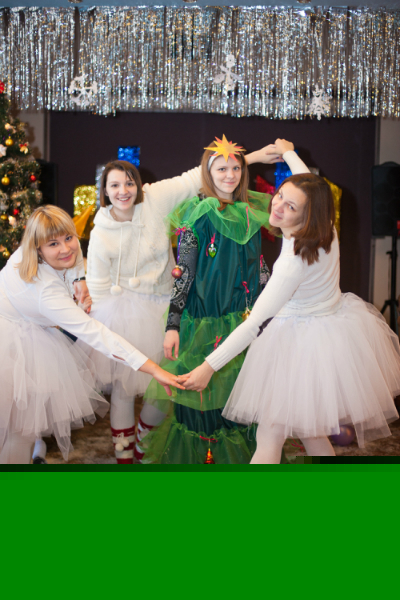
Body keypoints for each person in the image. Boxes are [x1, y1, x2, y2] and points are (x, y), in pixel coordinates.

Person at [181, 145, 400, 463]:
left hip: (299, 346)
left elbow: (253, 325)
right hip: (329, 335)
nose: (278, 205)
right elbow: (308, 182)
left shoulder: (292, 263)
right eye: (280, 195)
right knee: (312, 432)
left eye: (291, 206)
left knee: (269, 436)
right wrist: (288, 153)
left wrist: (207, 367)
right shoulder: (326, 228)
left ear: (307, 214)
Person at [83, 147, 284, 463]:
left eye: (129, 183)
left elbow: (200, 174)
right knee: (124, 389)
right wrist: (99, 327)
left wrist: (254, 156)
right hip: (122, 312)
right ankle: (124, 460)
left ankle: (143, 444)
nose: (123, 191)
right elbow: (96, 285)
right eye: (114, 185)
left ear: (139, 184)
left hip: (161, 305)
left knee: (167, 385)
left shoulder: (157, 198)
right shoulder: (100, 232)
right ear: (104, 191)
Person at [140, 136, 308, 464]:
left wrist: (275, 307)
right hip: (203, 324)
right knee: (202, 411)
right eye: (221, 169)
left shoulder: (253, 212)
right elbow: (184, 273)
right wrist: (173, 325)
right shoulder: (197, 213)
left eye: (235, 168)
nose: (229, 175)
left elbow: (258, 266)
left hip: (245, 322)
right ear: (208, 172)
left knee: (242, 408)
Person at [0, 205, 184, 464]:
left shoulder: (30, 253)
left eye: (69, 237)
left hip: (25, 323)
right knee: (20, 434)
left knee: (20, 431)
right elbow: (100, 336)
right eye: (53, 244)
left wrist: (79, 281)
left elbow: (73, 259)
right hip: (11, 344)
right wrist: (154, 369)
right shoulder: (46, 293)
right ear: (38, 248)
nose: (66, 248)